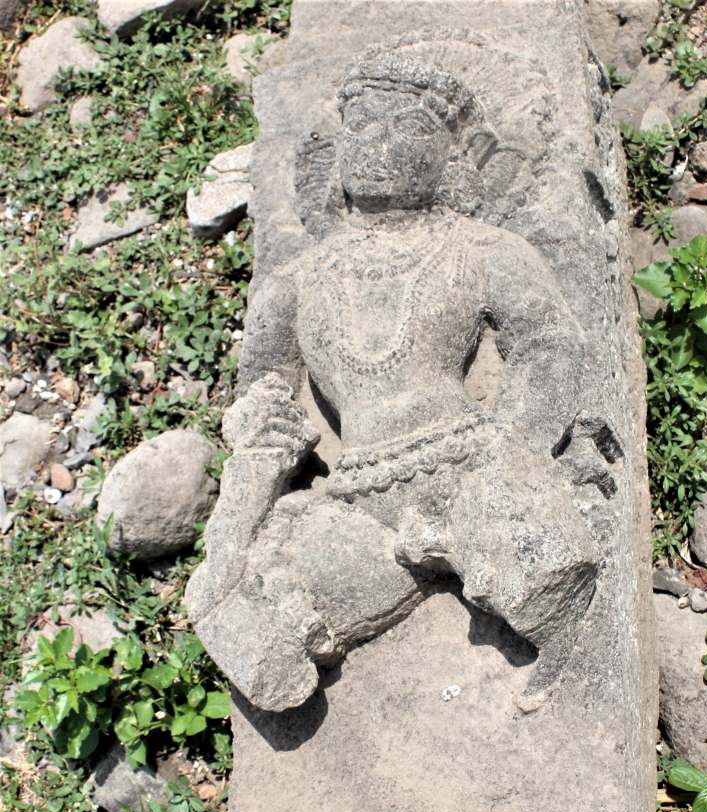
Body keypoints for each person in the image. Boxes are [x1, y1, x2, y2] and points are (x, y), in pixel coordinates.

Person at [185, 51, 604, 716]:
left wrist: (515, 450)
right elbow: (266, 382)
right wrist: (258, 437)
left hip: (466, 461)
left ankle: (567, 648)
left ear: (451, 154)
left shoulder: (481, 249)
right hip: (357, 494)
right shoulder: (295, 283)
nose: (380, 143)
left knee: (537, 569)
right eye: (364, 125)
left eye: (408, 127)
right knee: (262, 606)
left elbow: (547, 341)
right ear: (338, 146)